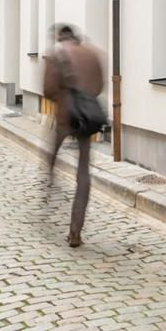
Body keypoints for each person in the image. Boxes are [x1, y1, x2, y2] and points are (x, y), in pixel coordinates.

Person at [42, 23, 105, 247]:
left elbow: (48, 90)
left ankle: (49, 183)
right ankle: (76, 230)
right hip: (87, 117)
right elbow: (99, 86)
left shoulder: (56, 55)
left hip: (65, 116)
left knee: (52, 152)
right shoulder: (92, 53)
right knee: (83, 171)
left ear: (60, 37)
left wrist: (64, 99)